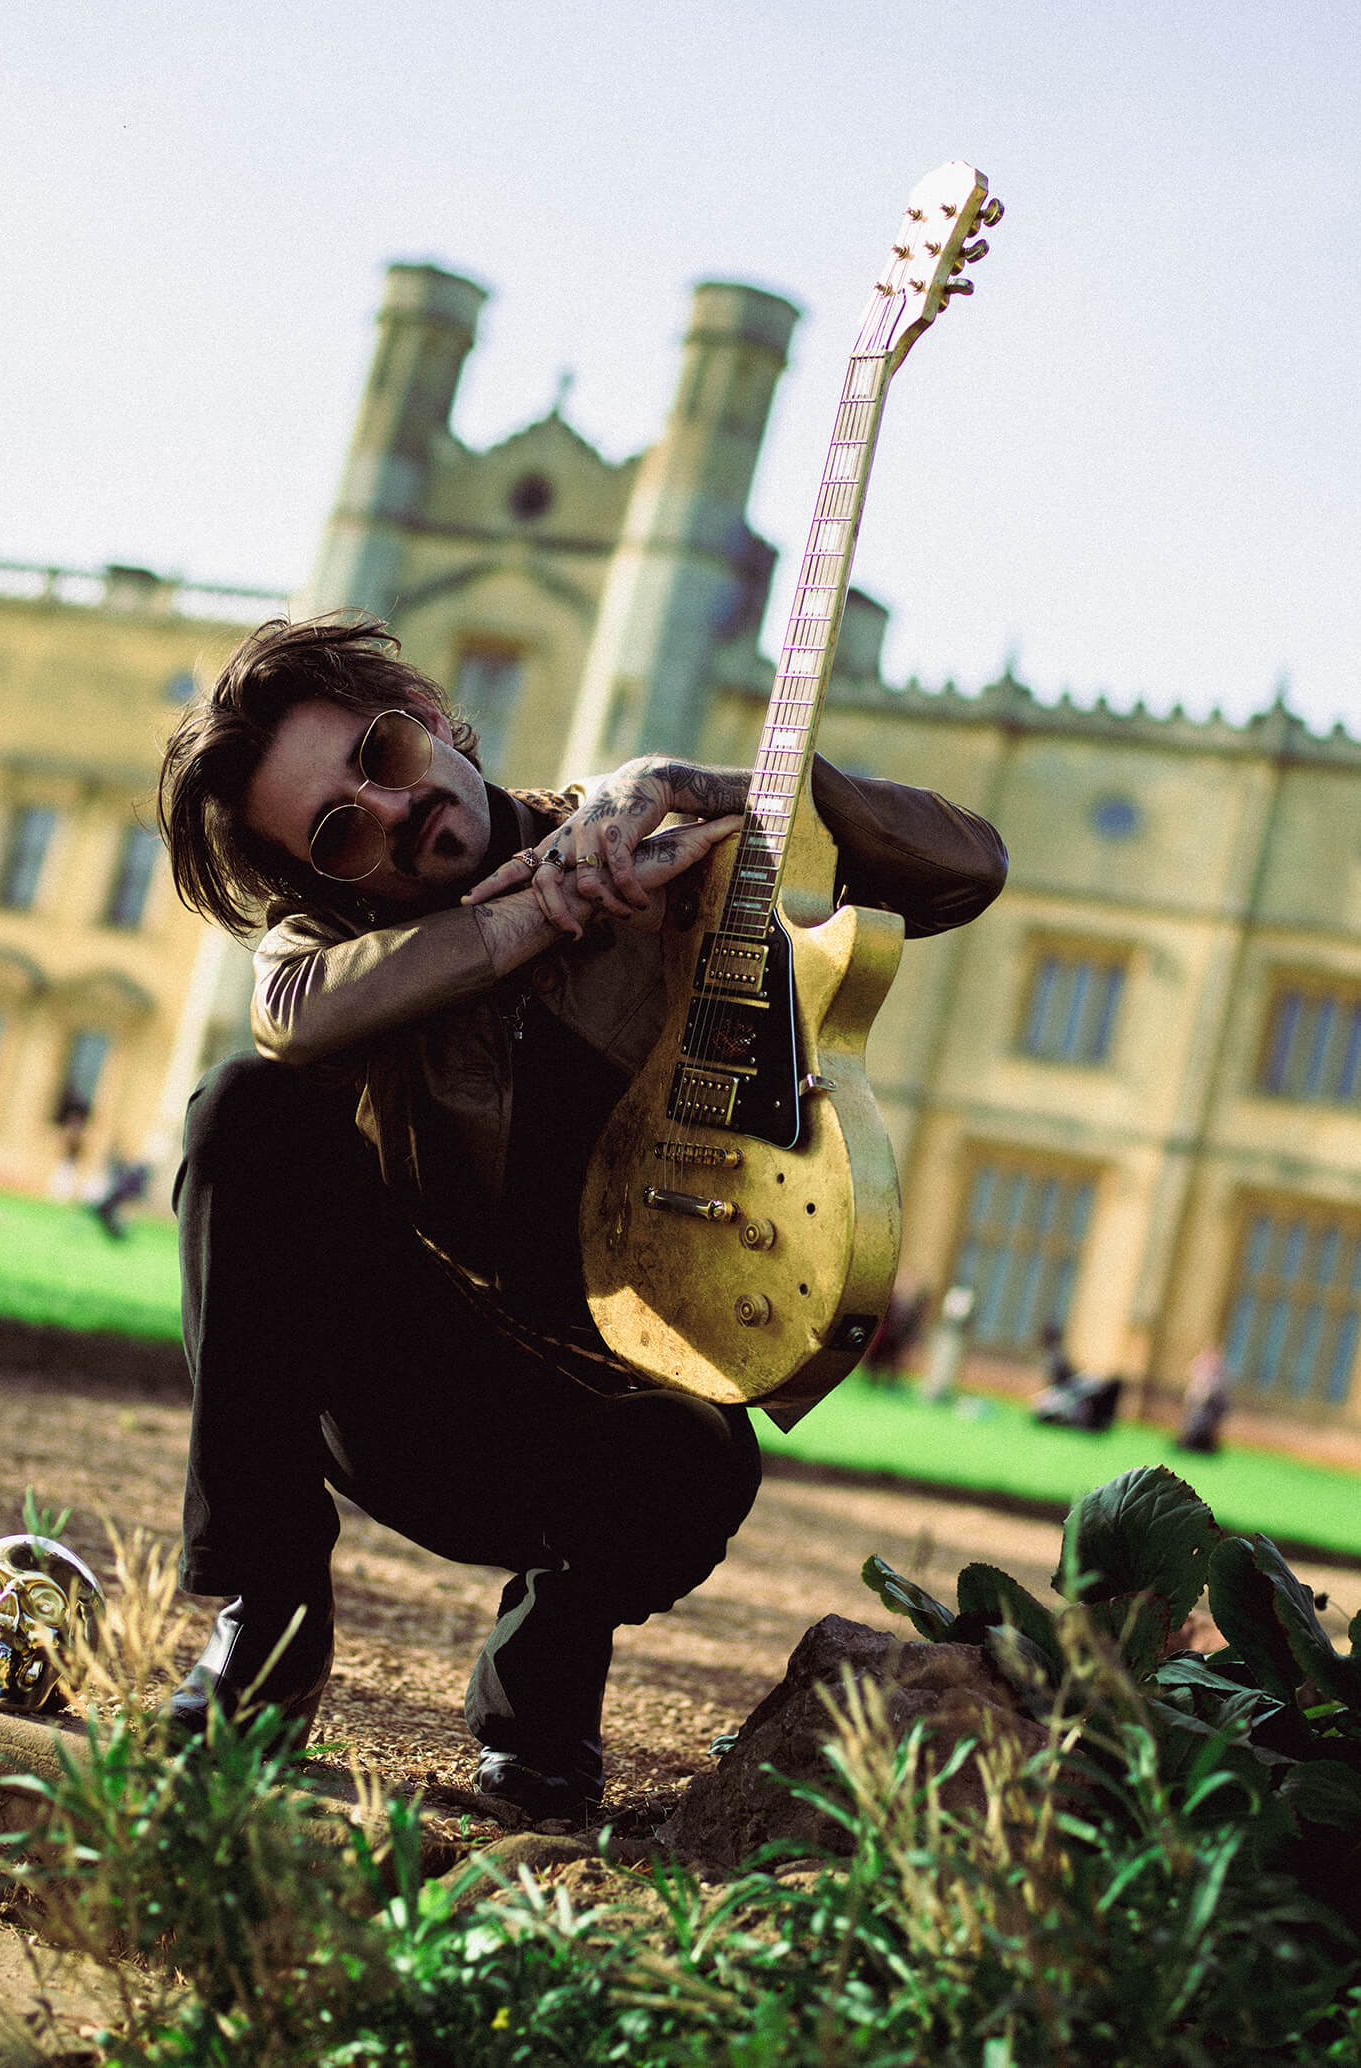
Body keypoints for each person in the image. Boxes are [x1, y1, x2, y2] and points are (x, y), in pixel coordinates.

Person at [154, 614, 1007, 1820]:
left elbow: (968, 865)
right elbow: (284, 1012)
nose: (389, 813)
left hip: (597, 1428)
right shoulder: (342, 941)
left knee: (701, 1463)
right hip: (402, 1394)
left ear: (437, 719)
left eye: (384, 757)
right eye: (340, 832)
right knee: (242, 1110)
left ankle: (544, 1683)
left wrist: (691, 785)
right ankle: (269, 1611)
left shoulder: (666, 840)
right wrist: (528, 918)